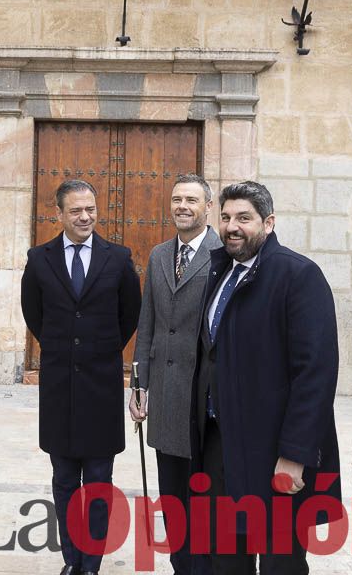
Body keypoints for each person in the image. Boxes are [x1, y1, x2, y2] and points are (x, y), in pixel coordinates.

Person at [192, 180, 341, 574]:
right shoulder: (221, 272)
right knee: (226, 560)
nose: (231, 227)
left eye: (244, 218)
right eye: (224, 217)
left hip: (274, 454)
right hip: (222, 449)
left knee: (280, 563)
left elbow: (315, 374)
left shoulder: (298, 275)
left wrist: (294, 456)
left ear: (268, 223)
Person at [21, 179, 142, 575]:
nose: (85, 216)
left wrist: (97, 350)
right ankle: (71, 561)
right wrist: (64, 349)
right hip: (58, 390)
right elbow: (34, 314)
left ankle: (91, 563)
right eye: (76, 211)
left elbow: (129, 316)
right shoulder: (39, 259)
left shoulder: (118, 258)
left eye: (90, 208)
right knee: (64, 481)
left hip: (101, 389)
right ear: (60, 214)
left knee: (98, 481)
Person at [131, 173, 221, 575]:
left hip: (202, 398)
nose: (182, 206)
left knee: (203, 493)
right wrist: (139, 383)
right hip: (165, 397)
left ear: (208, 207)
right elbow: (147, 323)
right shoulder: (158, 255)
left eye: (191, 200)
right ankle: (180, 566)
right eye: (176, 199)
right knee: (172, 493)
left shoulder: (223, 255)